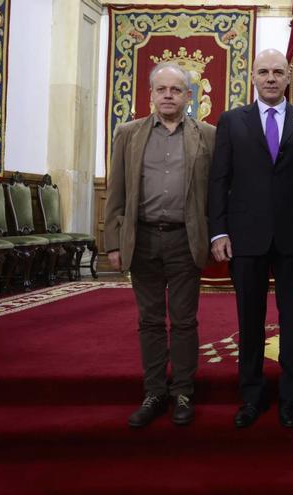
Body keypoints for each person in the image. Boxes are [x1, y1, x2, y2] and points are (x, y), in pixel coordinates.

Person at [208, 48, 293, 429]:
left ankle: (291, 396)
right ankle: (252, 395)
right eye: (264, 71)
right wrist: (220, 229)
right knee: (251, 319)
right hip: (245, 236)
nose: (271, 78)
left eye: (278, 71)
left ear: (289, 76)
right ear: (253, 77)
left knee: (292, 320)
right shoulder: (232, 121)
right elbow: (219, 179)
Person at [104, 62, 216, 428]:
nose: (168, 95)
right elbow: (116, 192)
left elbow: (217, 193)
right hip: (143, 238)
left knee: (184, 320)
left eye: (176, 90)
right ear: (151, 94)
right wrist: (112, 242)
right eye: (161, 89)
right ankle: (154, 392)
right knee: (150, 321)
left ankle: (183, 391)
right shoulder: (128, 134)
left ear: (188, 95)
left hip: (186, 239)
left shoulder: (208, 136)